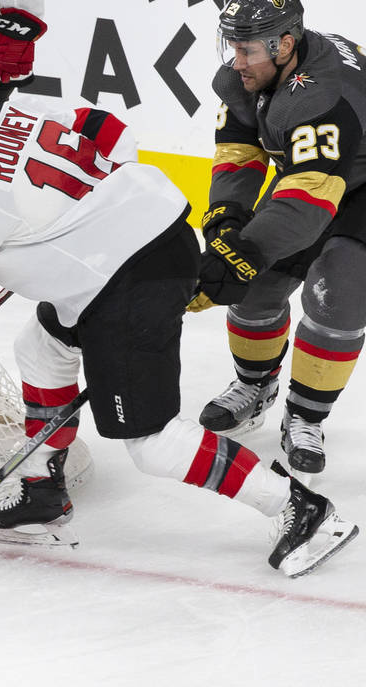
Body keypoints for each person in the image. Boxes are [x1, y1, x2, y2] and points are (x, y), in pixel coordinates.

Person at [0, 69, 357, 576]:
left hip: (125, 284)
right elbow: (109, 128)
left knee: (152, 442)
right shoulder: (13, 112)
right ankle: (42, 488)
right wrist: (84, 217)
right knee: (42, 347)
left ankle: (301, 510)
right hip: (160, 234)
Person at [191, 0, 366, 485]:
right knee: (256, 288)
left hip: (356, 190)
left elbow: (310, 203)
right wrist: (226, 225)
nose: (236, 61)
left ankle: (306, 416)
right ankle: (255, 386)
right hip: (310, 177)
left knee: (339, 295)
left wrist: (239, 260)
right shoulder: (247, 77)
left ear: (284, 44)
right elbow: (239, 153)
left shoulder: (321, 94)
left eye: (246, 50)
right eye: (233, 46)